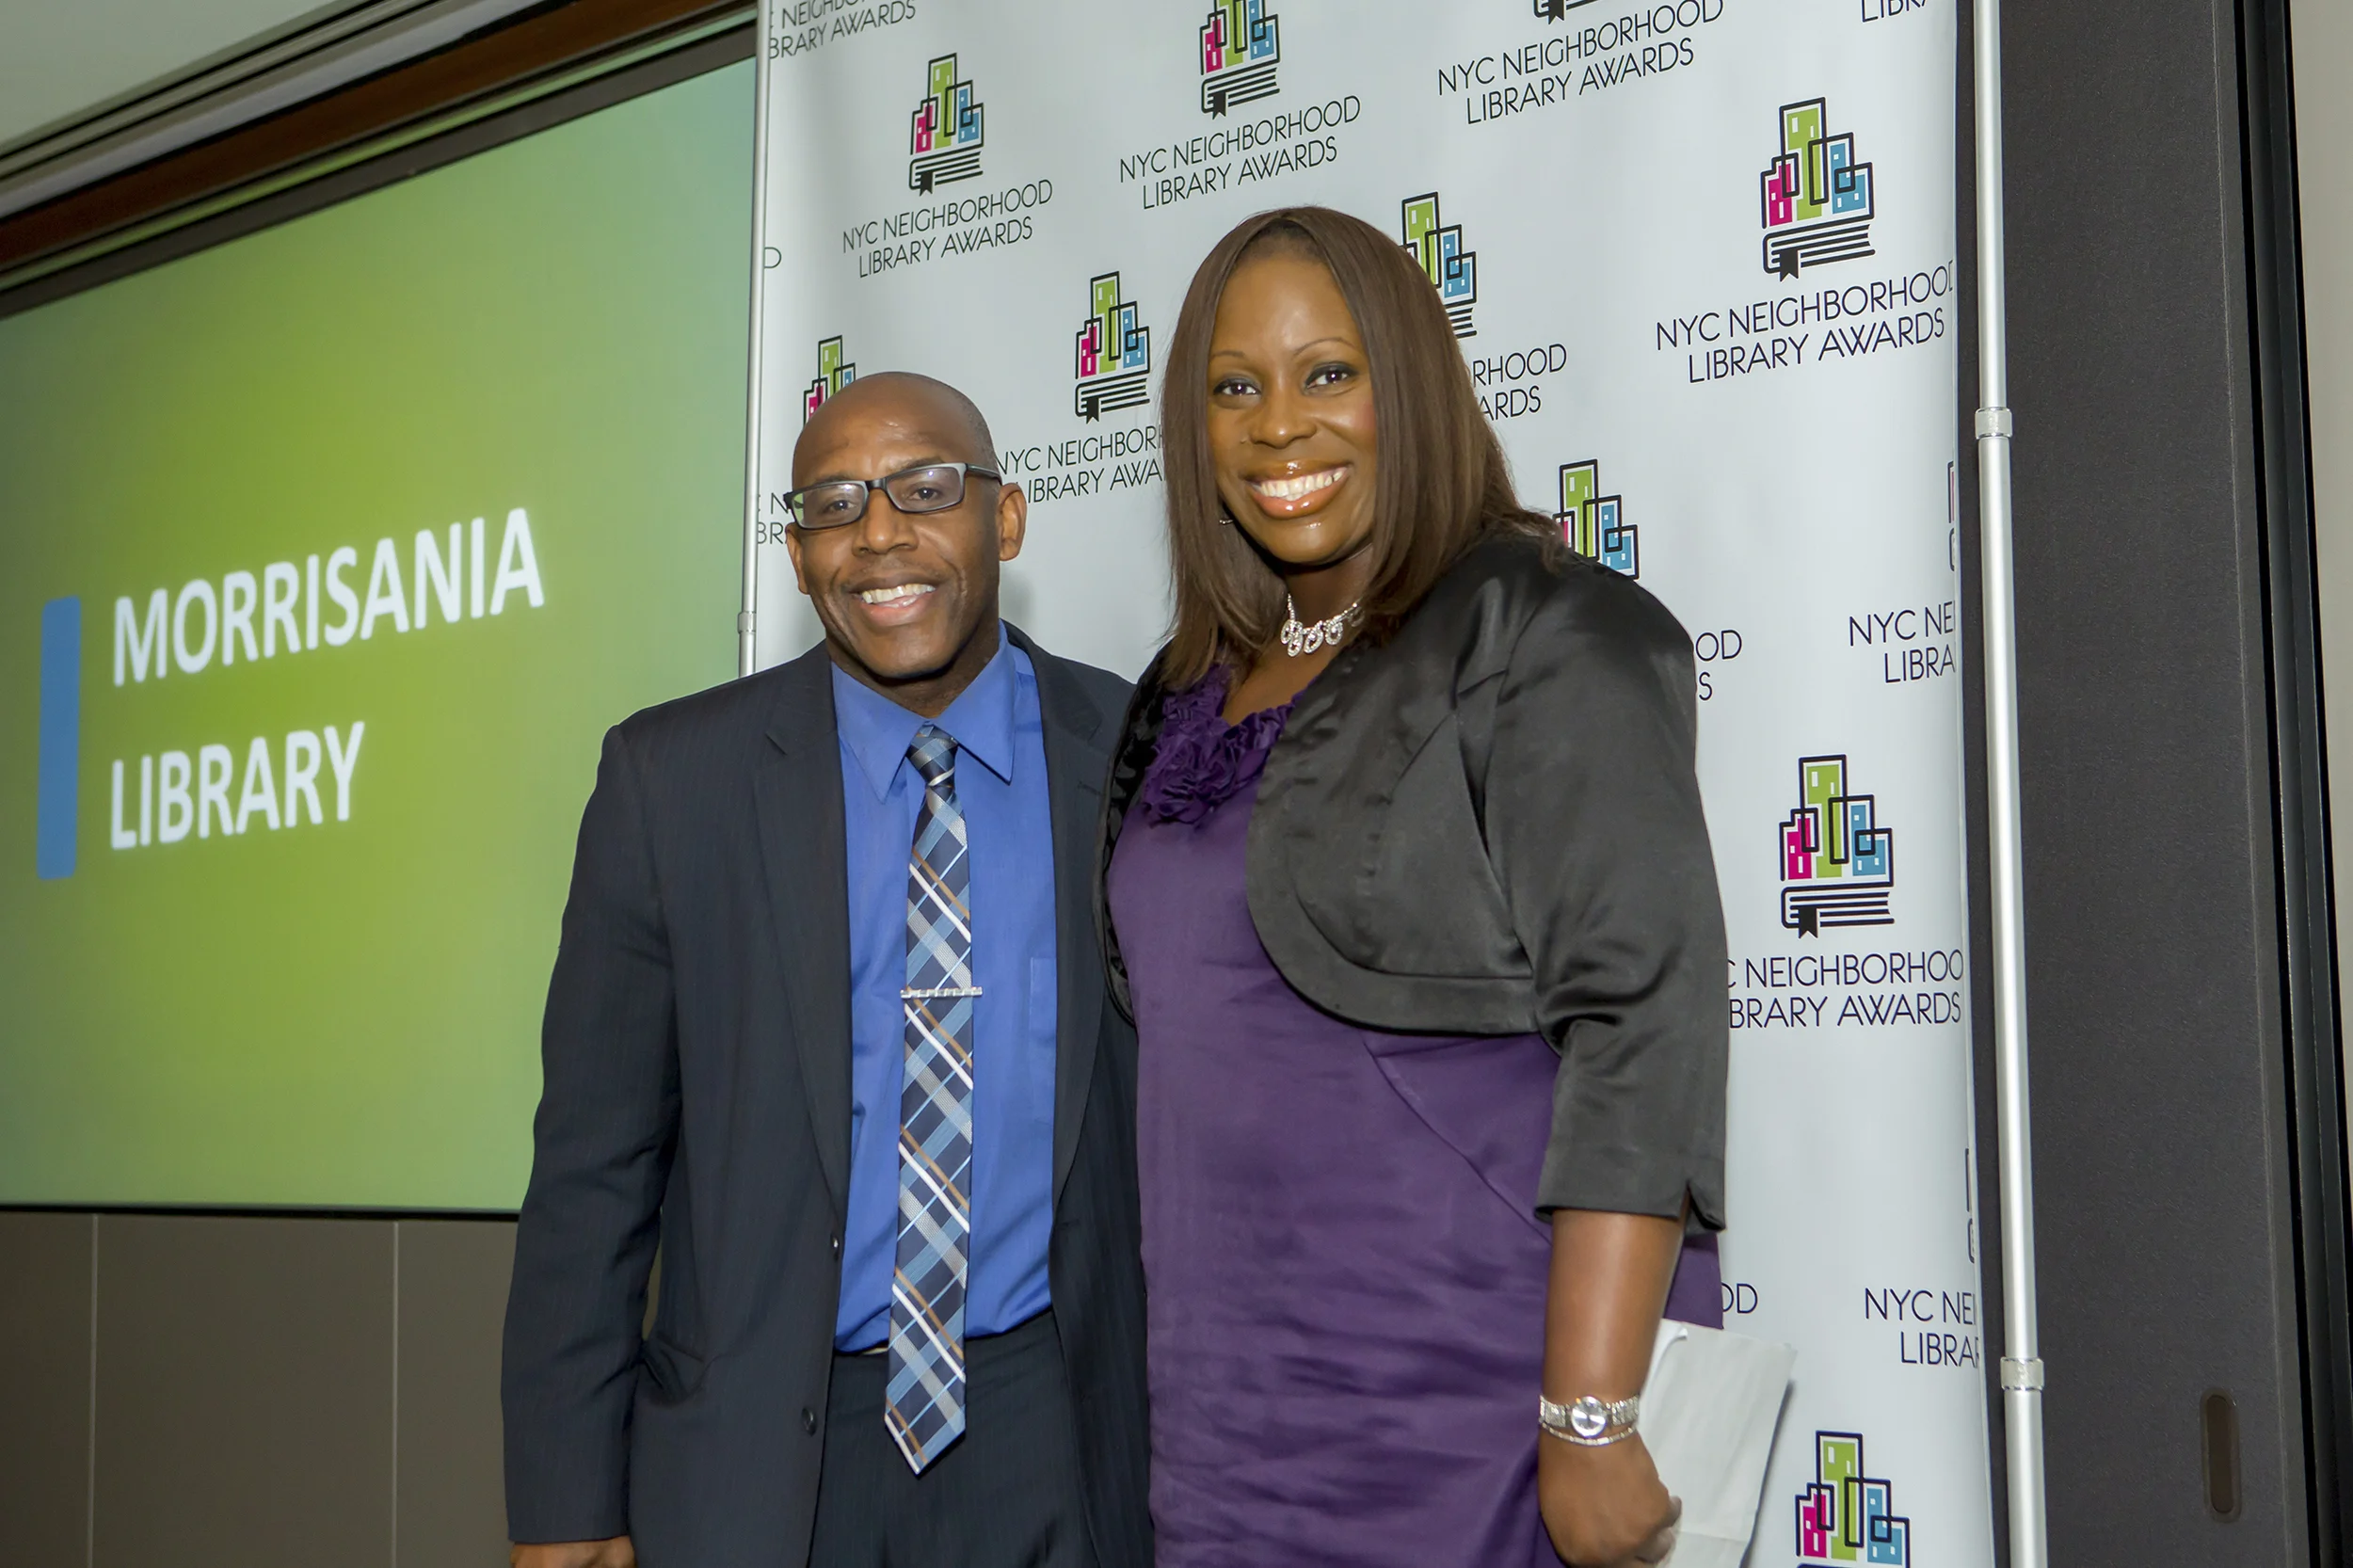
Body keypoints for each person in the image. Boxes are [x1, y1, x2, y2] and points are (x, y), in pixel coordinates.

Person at [1096, 206, 1729, 1568]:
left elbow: (1642, 1026)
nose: (1280, 426)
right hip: (1224, 1419)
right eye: (1234, 385)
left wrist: (1592, 1413)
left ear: (1411, 385)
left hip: (1473, 1411)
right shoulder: (1178, 695)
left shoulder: (1549, 627)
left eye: (1329, 372)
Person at [503, 372, 1149, 1568]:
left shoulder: (1133, 757)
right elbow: (593, 1168)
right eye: (834, 505)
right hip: (763, 1454)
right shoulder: (671, 782)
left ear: (1004, 519)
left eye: (925, 488)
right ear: (798, 558)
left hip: (1055, 1430)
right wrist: (563, 1502)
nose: (879, 534)